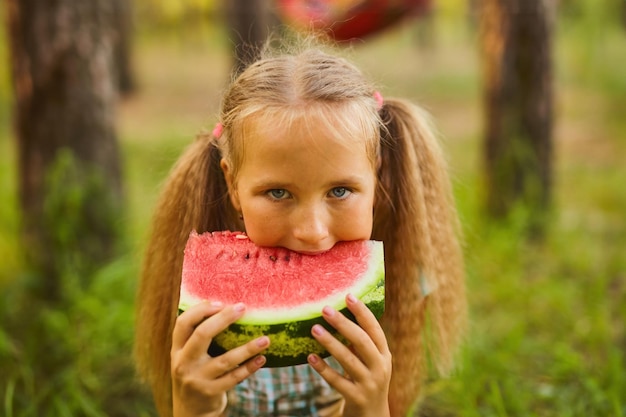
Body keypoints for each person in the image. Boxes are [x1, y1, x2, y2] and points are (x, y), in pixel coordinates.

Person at [134, 40, 466, 417]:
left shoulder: (405, 282)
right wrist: (194, 408)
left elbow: (396, 403)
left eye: (340, 191)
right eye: (278, 193)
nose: (312, 231)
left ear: (376, 176)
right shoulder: (199, 293)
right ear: (233, 186)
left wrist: (370, 409)